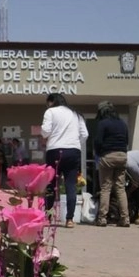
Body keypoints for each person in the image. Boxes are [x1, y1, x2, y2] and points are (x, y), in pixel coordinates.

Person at [41, 93, 89, 228]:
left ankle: (48, 217)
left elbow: (45, 131)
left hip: (54, 150)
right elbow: (85, 134)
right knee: (70, 185)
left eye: (47, 103)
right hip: (73, 151)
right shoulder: (76, 114)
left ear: (51, 102)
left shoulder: (50, 111)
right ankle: (69, 219)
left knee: (51, 184)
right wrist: (74, 143)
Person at [93, 101, 130, 228]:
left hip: (108, 156)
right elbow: (126, 140)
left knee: (106, 188)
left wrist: (99, 154)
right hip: (122, 155)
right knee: (120, 188)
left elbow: (98, 141)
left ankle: (102, 218)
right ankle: (125, 218)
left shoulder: (103, 123)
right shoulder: (122, 123)